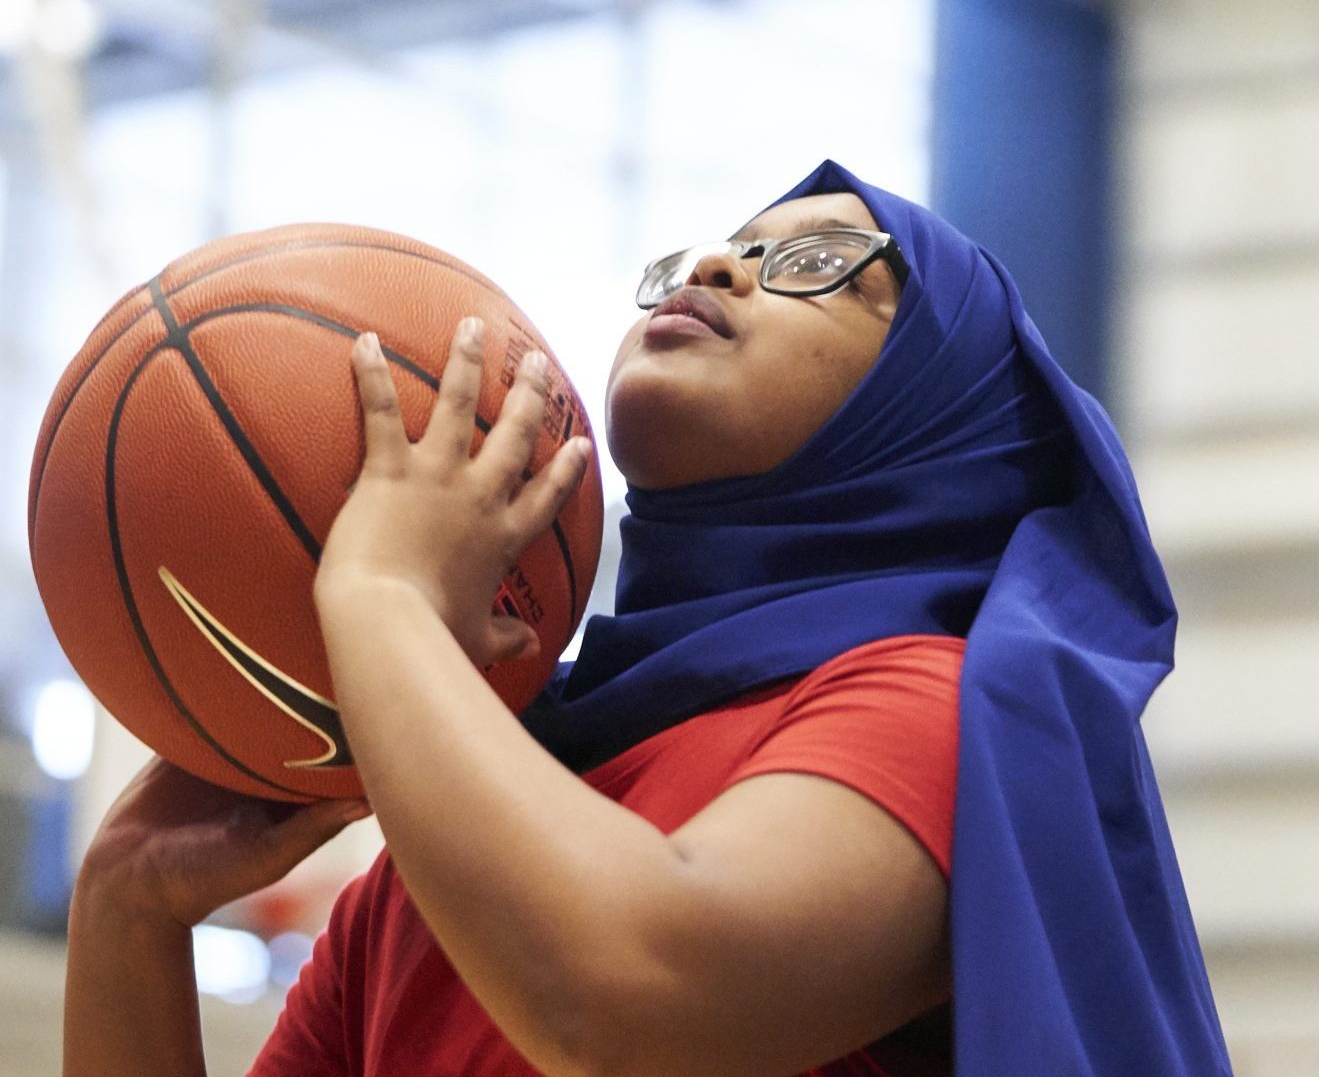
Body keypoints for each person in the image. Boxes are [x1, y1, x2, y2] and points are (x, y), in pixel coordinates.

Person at [63, 159, 1231, 1077]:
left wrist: (381, 598)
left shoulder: (928, 708)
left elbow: (628, 998)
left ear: (927, 415)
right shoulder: (481, 828)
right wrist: (127, 912)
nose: (716, 267)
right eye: (721, 247)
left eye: (822, 263)